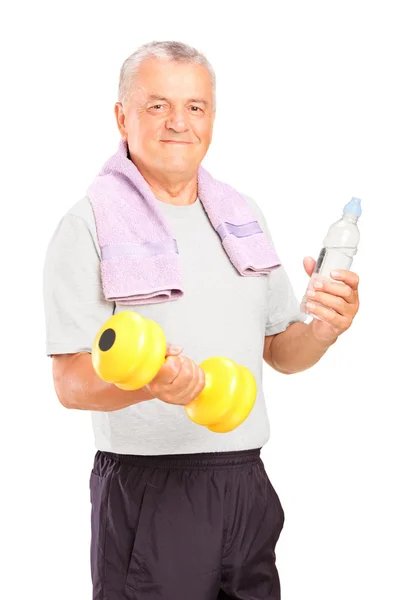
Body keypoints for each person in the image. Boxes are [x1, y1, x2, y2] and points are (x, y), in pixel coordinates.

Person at [43, 41, 360, 600]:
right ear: (122, 116)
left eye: (195, 107)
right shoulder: (88, 224)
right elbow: (70, 382)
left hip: (246, 483)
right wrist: (151, 385)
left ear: (212, 117)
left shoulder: (241, 215)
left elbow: (281, 350)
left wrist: (323, 330)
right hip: (150, 487)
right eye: (157, 105)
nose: (178, 123)